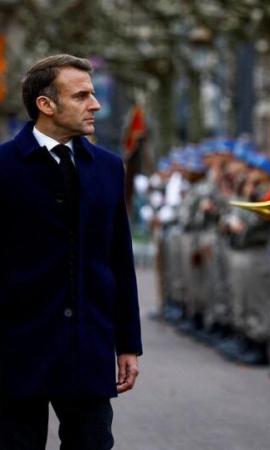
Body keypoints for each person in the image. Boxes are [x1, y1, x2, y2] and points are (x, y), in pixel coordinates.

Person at [0, 54, 142, 448]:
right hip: (15, 351)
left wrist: (128, 343)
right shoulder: (4, 167)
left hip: (87, 348)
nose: (95, 104)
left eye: (93, 94)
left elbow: (119, 260)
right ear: (46, 105)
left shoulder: (109, 168)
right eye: (81, 96)